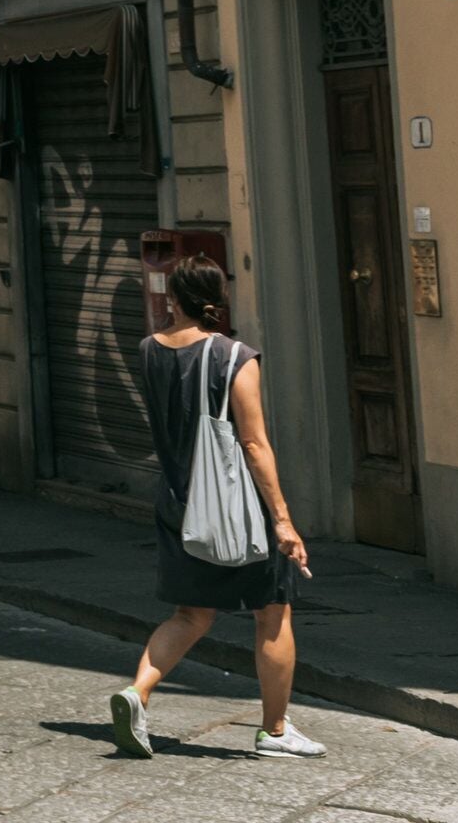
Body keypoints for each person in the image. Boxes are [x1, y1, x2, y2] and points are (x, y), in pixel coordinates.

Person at [110, 255, 319, 762]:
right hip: (235, 508)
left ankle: (137, 693)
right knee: (272, 612)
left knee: (190, 613)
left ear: (172, 300)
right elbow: (254, 445)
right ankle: (273, 730)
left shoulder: (147, 351)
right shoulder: (236, 357)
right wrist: (283, 521)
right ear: (218, 300)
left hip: (178, 503)